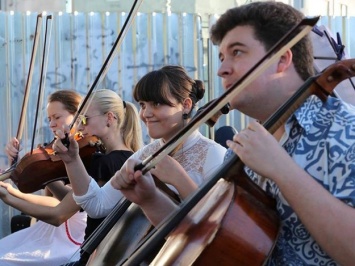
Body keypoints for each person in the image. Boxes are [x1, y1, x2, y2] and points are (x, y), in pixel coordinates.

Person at [111, 2, 355, 265]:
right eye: (222, 57)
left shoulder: (345, 132)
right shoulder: (241, 149)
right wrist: (150, 200)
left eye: (237, 52)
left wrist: (283, 171)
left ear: (282, 59)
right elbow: (213, 243)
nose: (222, 70)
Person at [52, 65, 227, 222]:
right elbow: (97, 206)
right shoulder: (146, 154)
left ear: (186, 105)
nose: (146, 114)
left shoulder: (214, 154)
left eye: (157, 104)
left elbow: (219, 221)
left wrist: (179, 179)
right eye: (143, 105)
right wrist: (72, 160)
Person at [0, 89, 143, 266]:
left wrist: (8, 196)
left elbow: (58, 214)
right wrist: (43, 171)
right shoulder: (122, 158)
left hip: (89, 257)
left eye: (85, 119)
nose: (80, 127)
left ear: (110, 118)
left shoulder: (106, 162)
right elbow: (72, 200)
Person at [0, 90, 87, 265]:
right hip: (50, 232)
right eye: (49, 119)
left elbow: (66, 204)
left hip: (71, 238)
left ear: (77, 116)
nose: (52, 124)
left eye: (57, 117)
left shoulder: (84, 153)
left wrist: (44, 173)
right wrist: (16, 169)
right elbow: (52, 201)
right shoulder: (56, 152)